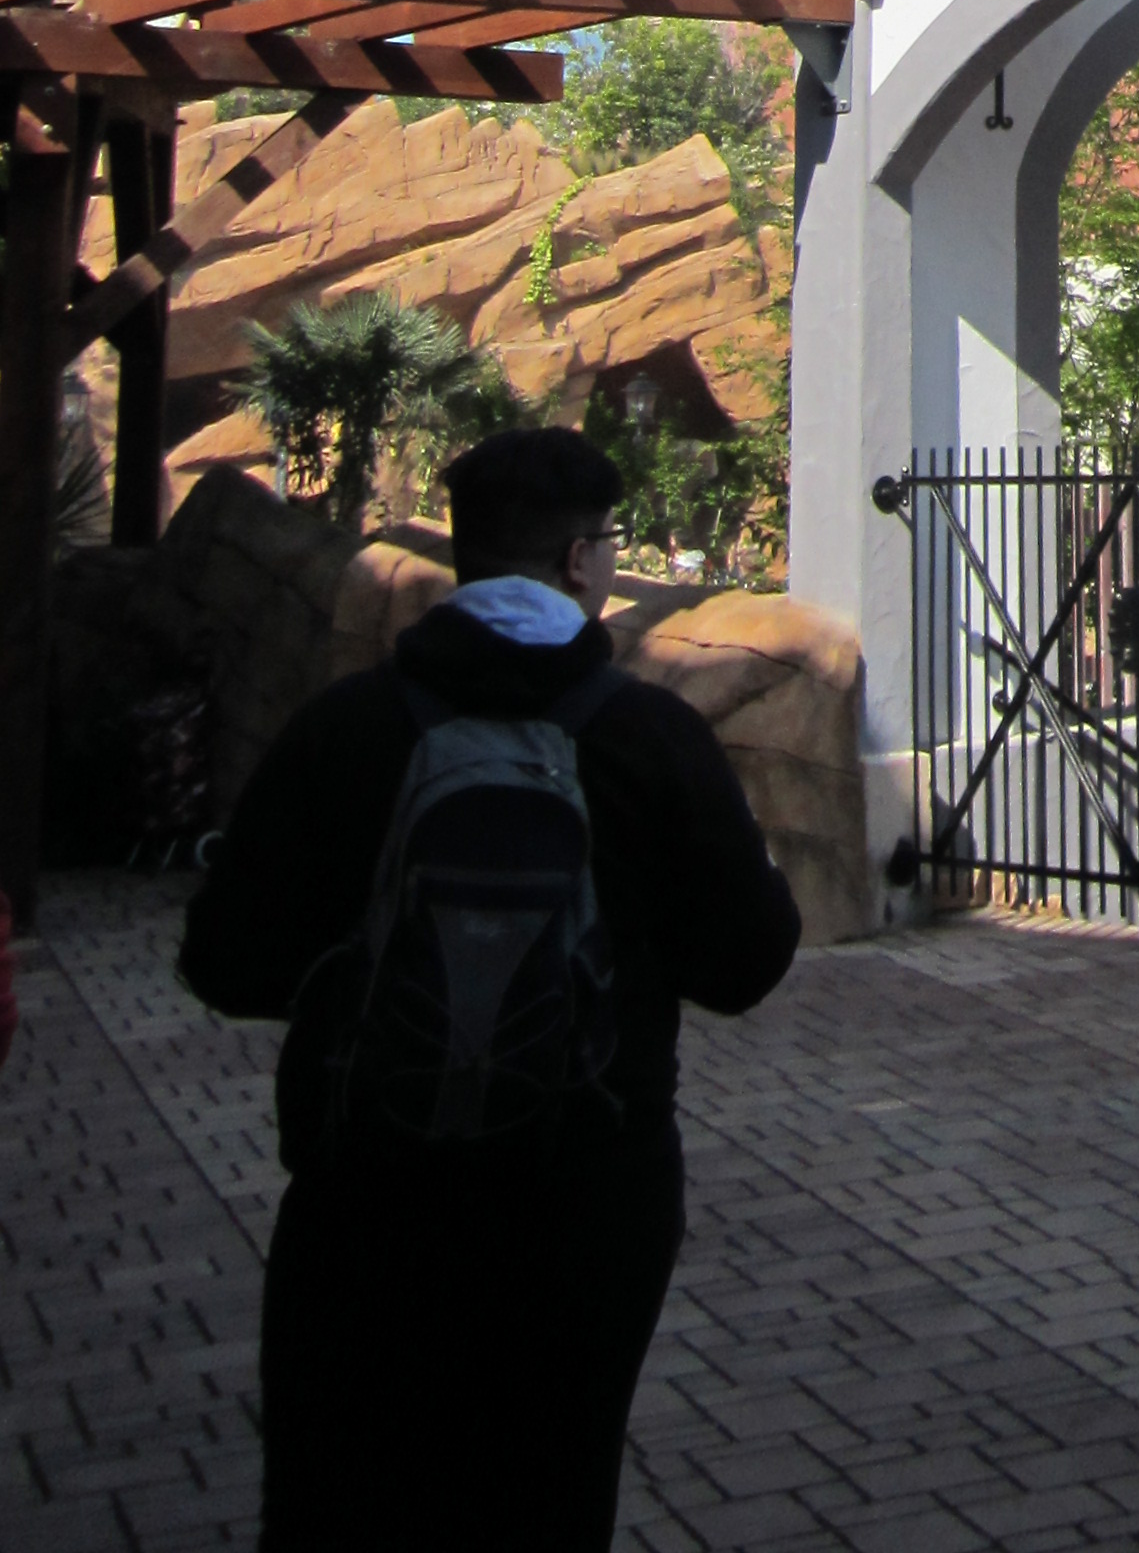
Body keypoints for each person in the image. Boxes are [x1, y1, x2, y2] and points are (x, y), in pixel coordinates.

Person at [182, 426, 801, 1552]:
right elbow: (746, 963)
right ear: (579, 560)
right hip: (586, 1196)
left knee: (341, 1501)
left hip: (369, 1192)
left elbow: (226, 959)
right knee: (547, 1496)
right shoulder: (650, 737)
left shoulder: (347, 726)